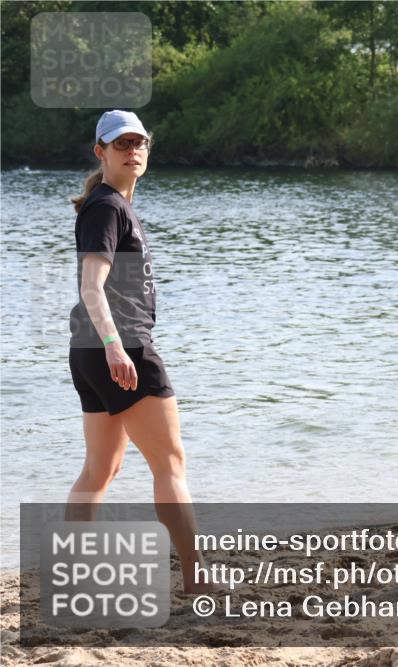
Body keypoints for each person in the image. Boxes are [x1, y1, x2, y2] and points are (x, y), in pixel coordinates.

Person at [67, 110, 214, 593]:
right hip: (119, 346)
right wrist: (116, 347)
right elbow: (92, 286)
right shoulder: (107, 207)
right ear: (101, 152)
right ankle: (197, 579)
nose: (132, 150)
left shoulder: (108, 204)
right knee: (170, 464)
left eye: (139, 143)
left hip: (90, 350)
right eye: (121, 143)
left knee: (101, 467)